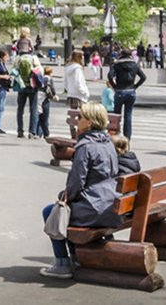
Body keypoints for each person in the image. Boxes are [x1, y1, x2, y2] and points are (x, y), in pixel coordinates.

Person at [38, 100, 122, 279]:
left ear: (90, 122)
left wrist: (63, 198)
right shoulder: (108, 143)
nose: (78, 121)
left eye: (81, 117)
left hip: (95, 208)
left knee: (53, 212)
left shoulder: (85, 147)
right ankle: (76, 256)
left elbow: (76, 183)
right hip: (112, 204)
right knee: (66, 209)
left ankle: (63, 263)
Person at [106, 46, 147, 138]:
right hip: (131, 91)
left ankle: (115, 135)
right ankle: (127, 137)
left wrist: (114, 86)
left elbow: (110, 76)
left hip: (120, 90)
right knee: (128, 115)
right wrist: (135, 86)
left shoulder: (117, 64)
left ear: (121, 55)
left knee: (116, 115)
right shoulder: (134, 65)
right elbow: (143, 77)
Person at [60, 50, 91, 136]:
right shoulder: (77, 69)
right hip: (79, 95)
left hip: (71, 94)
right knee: (83, 116)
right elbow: (78, 82)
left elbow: (65, 82)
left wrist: (69, 89)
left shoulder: (68, 68)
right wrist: (84, 92)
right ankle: (81, 133)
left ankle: (73, 133)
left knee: (73, 116)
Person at [16, 51, 43, 138]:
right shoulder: (34, 58)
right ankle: (32, 132)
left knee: (20, 109)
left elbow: (14, 71)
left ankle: (20, 130)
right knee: (33, 109)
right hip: (32, 86)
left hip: (22, 85)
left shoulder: (18, 58)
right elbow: (40, 71)